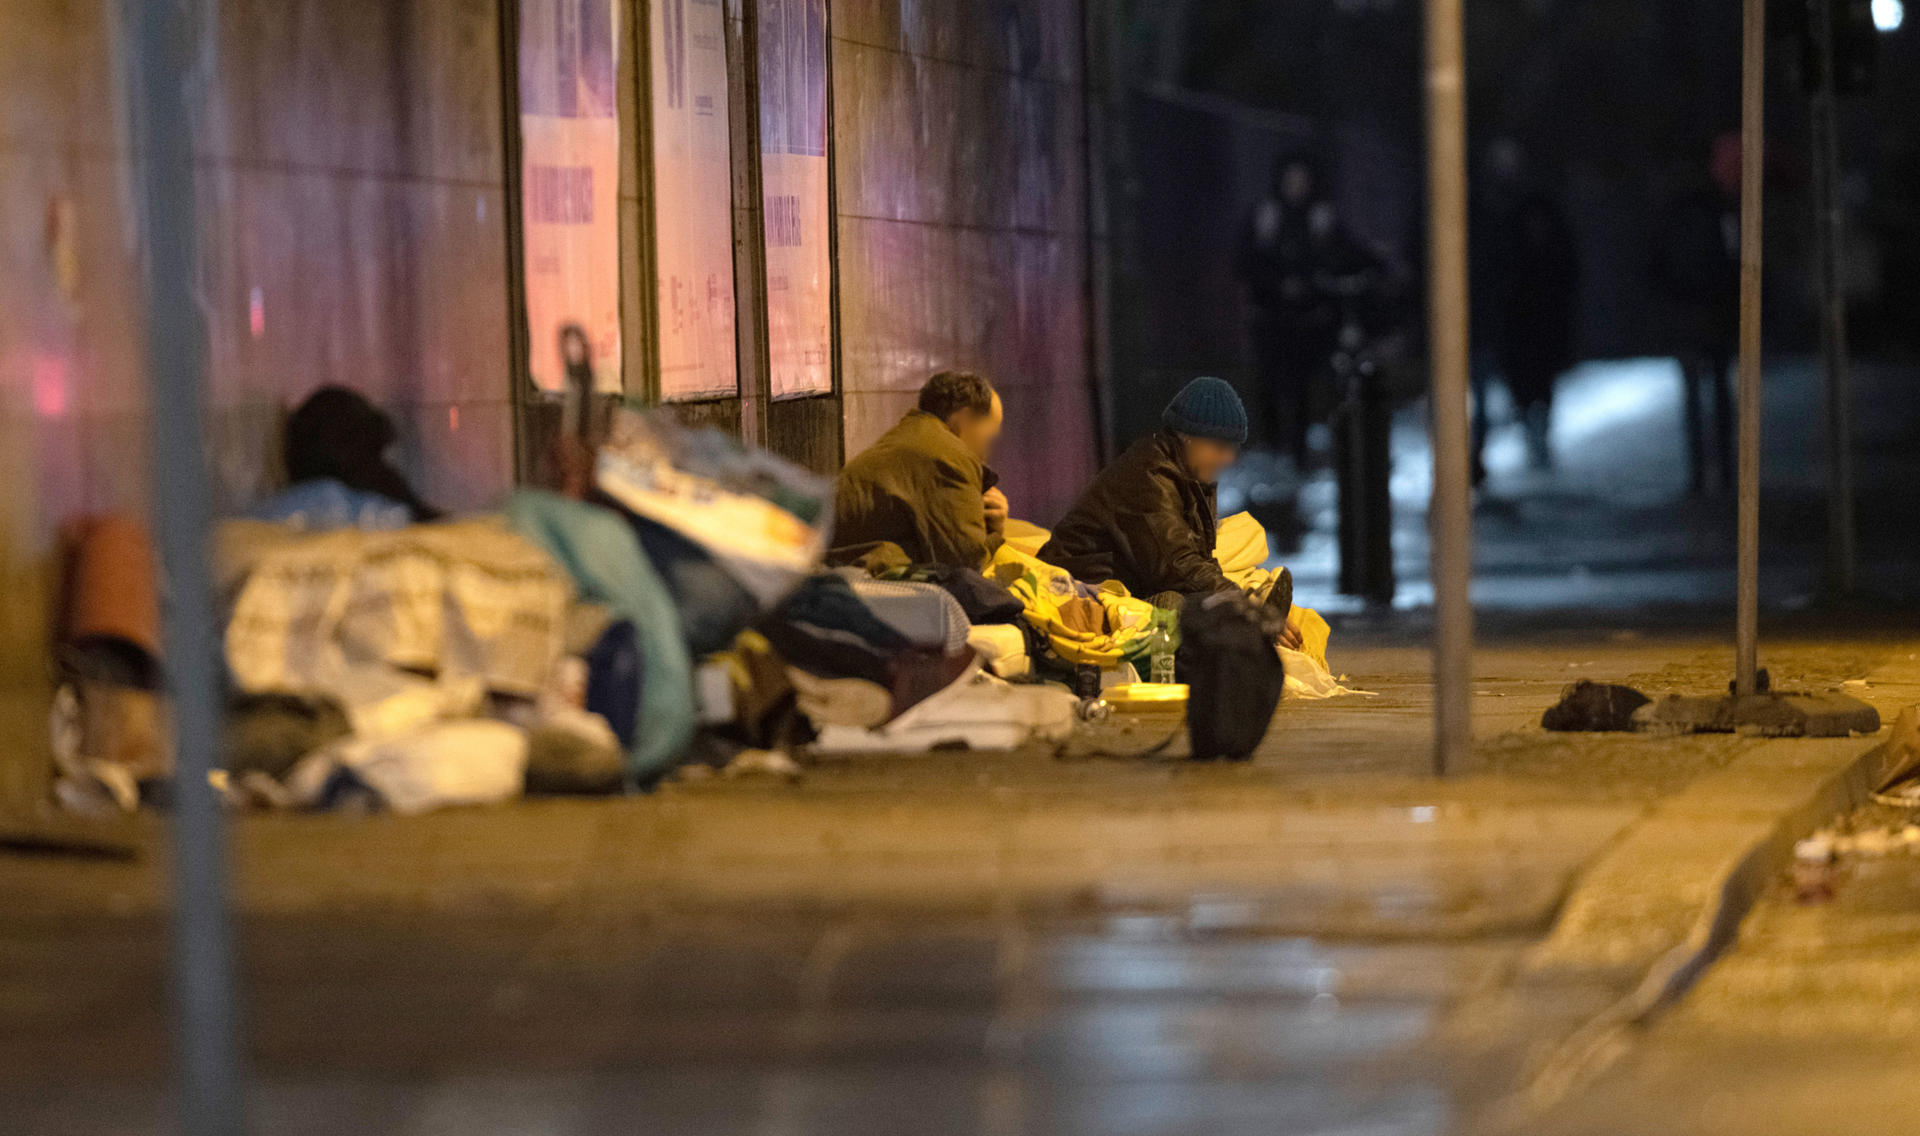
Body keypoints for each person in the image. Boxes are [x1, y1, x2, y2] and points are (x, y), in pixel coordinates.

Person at [1042, 377, 1304, 648]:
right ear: (1188, 438)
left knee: (1244, 539)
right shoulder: (1149, 475)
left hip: (1141, 576)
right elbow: (1178, 564)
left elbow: (1196, 555)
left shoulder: (1193, 472)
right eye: (1220, 447)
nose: (1229, 459)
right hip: (1086, 588)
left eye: (1232, 448)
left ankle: (1255, 598)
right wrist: (1246, 608)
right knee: (1178, 605)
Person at [830, 370, 1007, 571]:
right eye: (988, 437)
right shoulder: (948, 455)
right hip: (856, 581)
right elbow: (967, 565)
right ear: (965, 418)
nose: (986, 453)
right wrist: (995, 533)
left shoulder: (910, 438)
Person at [1651, 135, 1741, 496]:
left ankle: (1701, 474)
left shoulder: (1672, 209)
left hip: (1688, 313)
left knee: (1694, 395)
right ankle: (1722, 471)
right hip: (1713, 311)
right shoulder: (1718, 206)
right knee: (1718, 394)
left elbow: (1654, 264)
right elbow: (1736, 259)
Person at [1235, 154, 1338, 466]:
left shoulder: (1317, 217)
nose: (1296, 187)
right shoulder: (1267, 216)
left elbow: (1334, 259)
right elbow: (1245, 262)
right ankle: (1275, 444)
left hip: (1305, 319)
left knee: (1302, 385)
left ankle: (1296, 448)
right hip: (1271, 316)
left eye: (1301, 180)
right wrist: (1275, 283)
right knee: (1270, 382)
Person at [1500, 191, 1579, 470]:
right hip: (1522, 328)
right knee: (1526, 389)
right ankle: (1533, 436)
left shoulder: (1547, 249)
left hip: (1540, 328)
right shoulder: (1517, 244)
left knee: (1541, 387)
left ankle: (1540, 437)